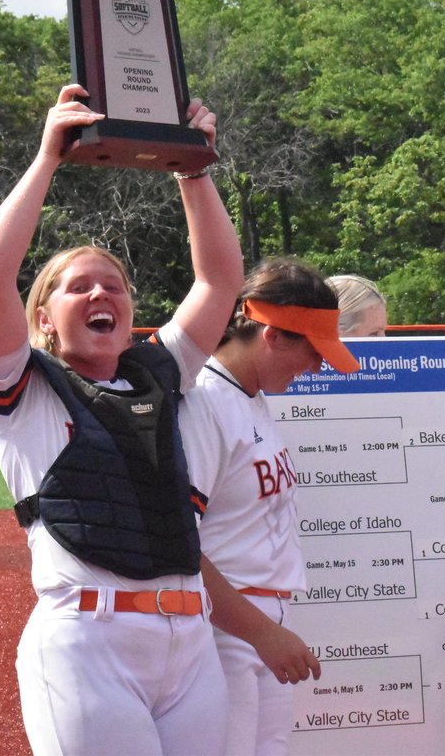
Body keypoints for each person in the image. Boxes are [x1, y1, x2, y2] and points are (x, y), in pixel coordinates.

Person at [0, 84, 244, 755]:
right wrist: (47, 160)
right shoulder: (22, 389)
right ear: (43, 319)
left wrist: (194, 169)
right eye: (77, 286)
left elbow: (218, 280)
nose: (100, 292)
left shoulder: (155, 371)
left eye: (114, 285)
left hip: (189, 648)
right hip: (88, 644)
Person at [178, 257, 360, 756]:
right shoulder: (204, 403)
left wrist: (267, 631)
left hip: (260, 624)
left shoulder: (251, 397)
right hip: (224, 628)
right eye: (314, 351)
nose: (318, 366)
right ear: (273, 335)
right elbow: (177, 543)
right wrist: (259, 631)